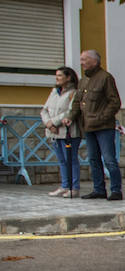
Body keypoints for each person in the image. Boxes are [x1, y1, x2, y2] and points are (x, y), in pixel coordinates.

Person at [73, 49, 123, 200]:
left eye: (84, 59)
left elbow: (115, 102)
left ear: (94, 61)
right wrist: (70, 117)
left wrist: (101, 117)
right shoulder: (83, 80)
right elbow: (77, 102)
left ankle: (116, 190)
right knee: (93, 159)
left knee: (109, 159)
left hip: (103, 127)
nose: (81, 63)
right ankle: (99, 189)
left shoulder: (105, 78)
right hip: (88, 126)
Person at [41, 66, 81, 198]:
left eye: (59, 75)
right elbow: (44, 110)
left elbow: (70, 111)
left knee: (71, 159)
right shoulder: (54, 91)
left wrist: (54, 122)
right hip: (53, 132)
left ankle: (73, 187)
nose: (56, 78)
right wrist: (48, 123)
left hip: (68, 131)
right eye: (56, 75)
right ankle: (64, 185)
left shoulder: (74, 92)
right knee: (62, 160)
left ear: (68, 77)